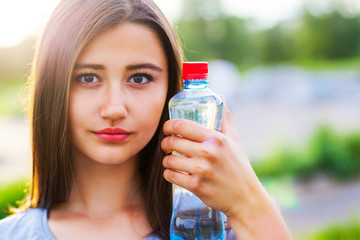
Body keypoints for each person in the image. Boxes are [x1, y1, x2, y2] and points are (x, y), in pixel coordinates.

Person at [0, 0, 292, 239]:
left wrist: (250, 205)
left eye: (139, 78)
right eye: (88, 78)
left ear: (172, 89)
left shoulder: (214, 230)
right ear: (52, 88)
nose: (114, 108)